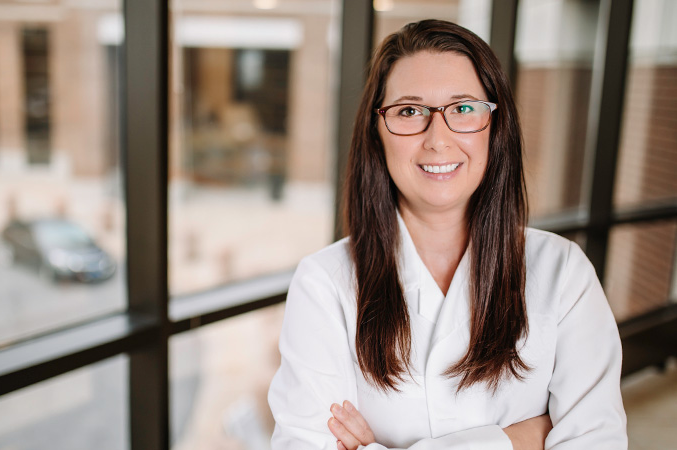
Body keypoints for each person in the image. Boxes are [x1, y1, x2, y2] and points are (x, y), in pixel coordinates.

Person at [267, 19, 627, 450]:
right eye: (409, 111)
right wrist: (517, 439)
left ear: (496, 127)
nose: (438, 139)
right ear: (376, 131)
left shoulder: (563, 272)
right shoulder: (324, 282)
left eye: (462, 109)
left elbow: (596, 442)